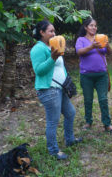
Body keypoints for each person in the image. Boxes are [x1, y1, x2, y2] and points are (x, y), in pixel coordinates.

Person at [30, 20, 82, 160]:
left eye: (54, 31)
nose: (54, 33)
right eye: (50, 31)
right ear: (42, 32)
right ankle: (53, 150)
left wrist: (66, 80)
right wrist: (52, 58)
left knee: (70, 113)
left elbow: (60, 67)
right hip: (49, 90)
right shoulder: (38, 49)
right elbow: (39, 70)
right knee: (53, 121)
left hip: (59, 88)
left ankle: (70, 139)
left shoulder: (53, 45)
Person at [75, 18, 112, 134]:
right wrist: (92, 46)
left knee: (103, 99)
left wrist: (107, 45)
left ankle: (107, 124)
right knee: (88, 100)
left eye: (95, 26)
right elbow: (79, 52)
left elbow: (110, 53)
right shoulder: (81, 40)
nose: (94, 27)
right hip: (86, 76)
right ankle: (88, 122)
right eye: (91, 25)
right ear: (85, 27)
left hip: (101, 75)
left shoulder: (101, 38)